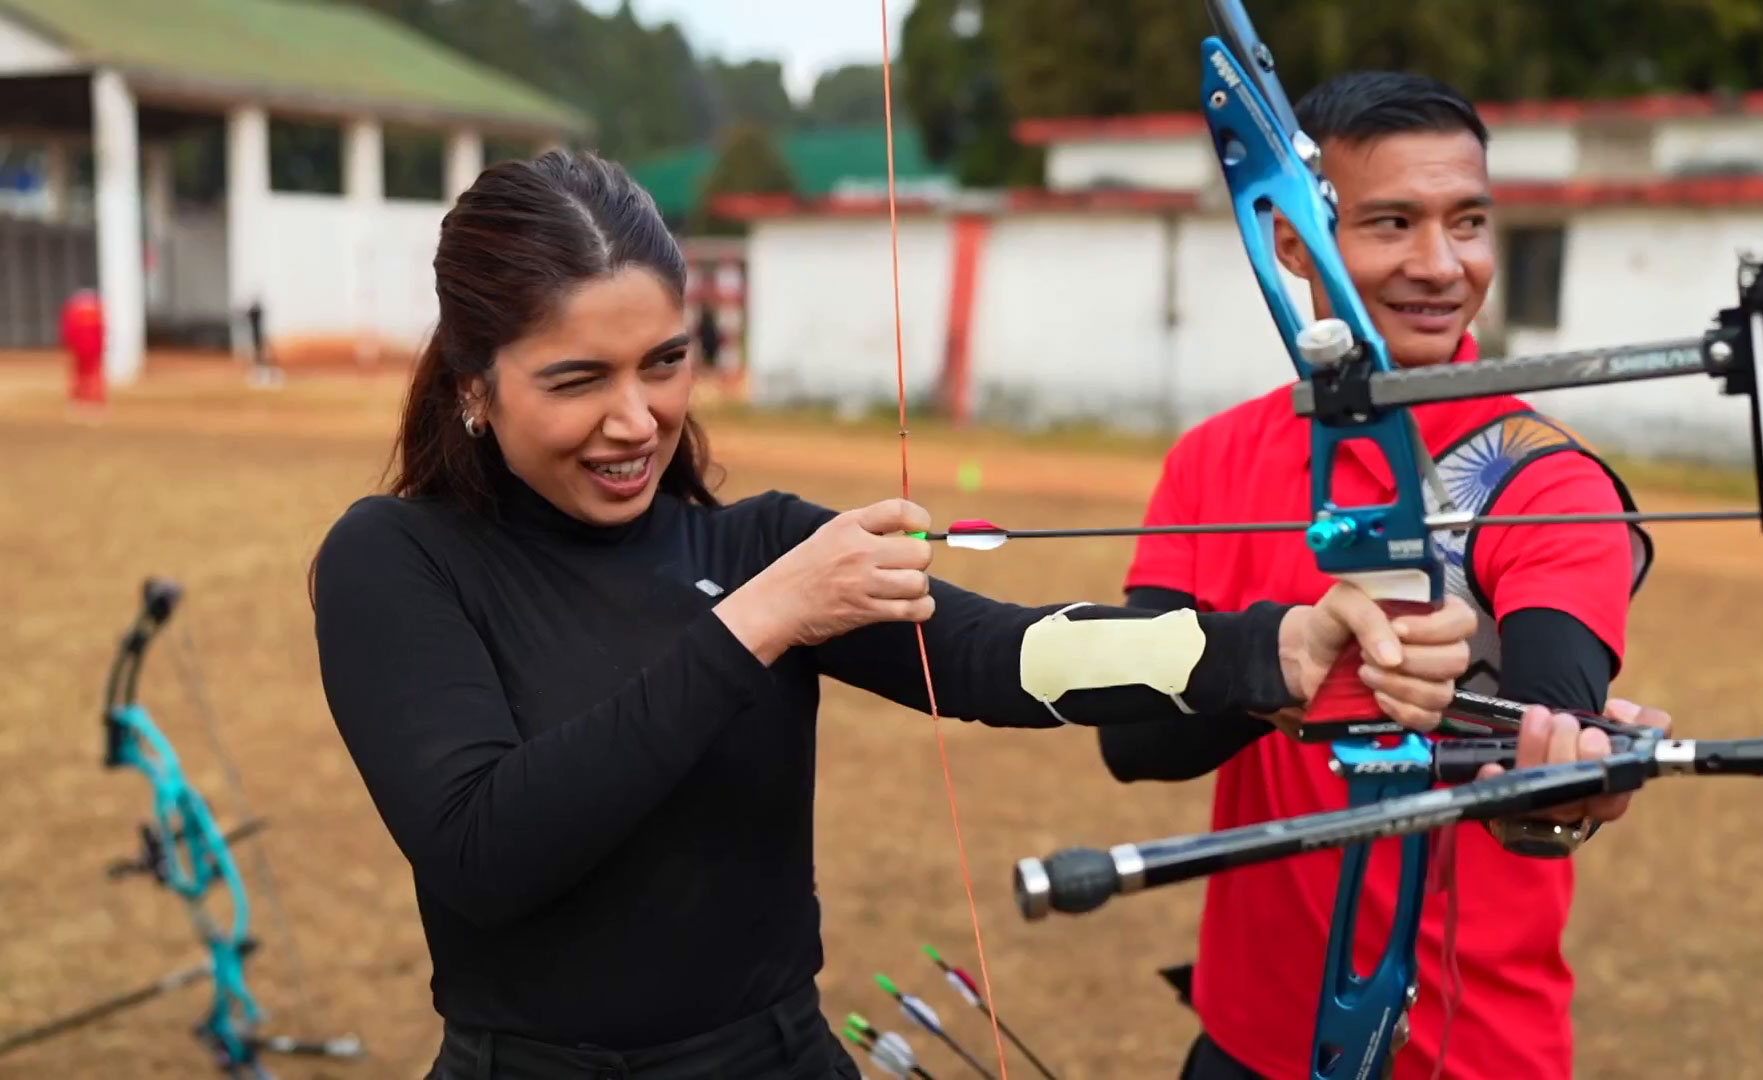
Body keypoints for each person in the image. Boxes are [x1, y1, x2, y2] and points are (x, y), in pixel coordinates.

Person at [305, 148, 1483, 1080]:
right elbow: (486, 852)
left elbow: (1005, 656)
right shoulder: (399, 559)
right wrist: (758, 623)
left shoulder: (754, 543)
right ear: (474, 386)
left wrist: (1271, 645)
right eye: (578, 381)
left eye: (664, 362)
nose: (635, 420)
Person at [1096, 72, 1675, 1080]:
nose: (1441, 265)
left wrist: (1555, 774)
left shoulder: (1540, 474)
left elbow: (1549, 726)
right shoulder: (1212, 458)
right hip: (1242, 1035)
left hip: (1462, 1050)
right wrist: (1301, 660)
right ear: (1291, 240)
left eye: (1469, 222)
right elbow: (1136, 736)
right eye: (1392, 223)